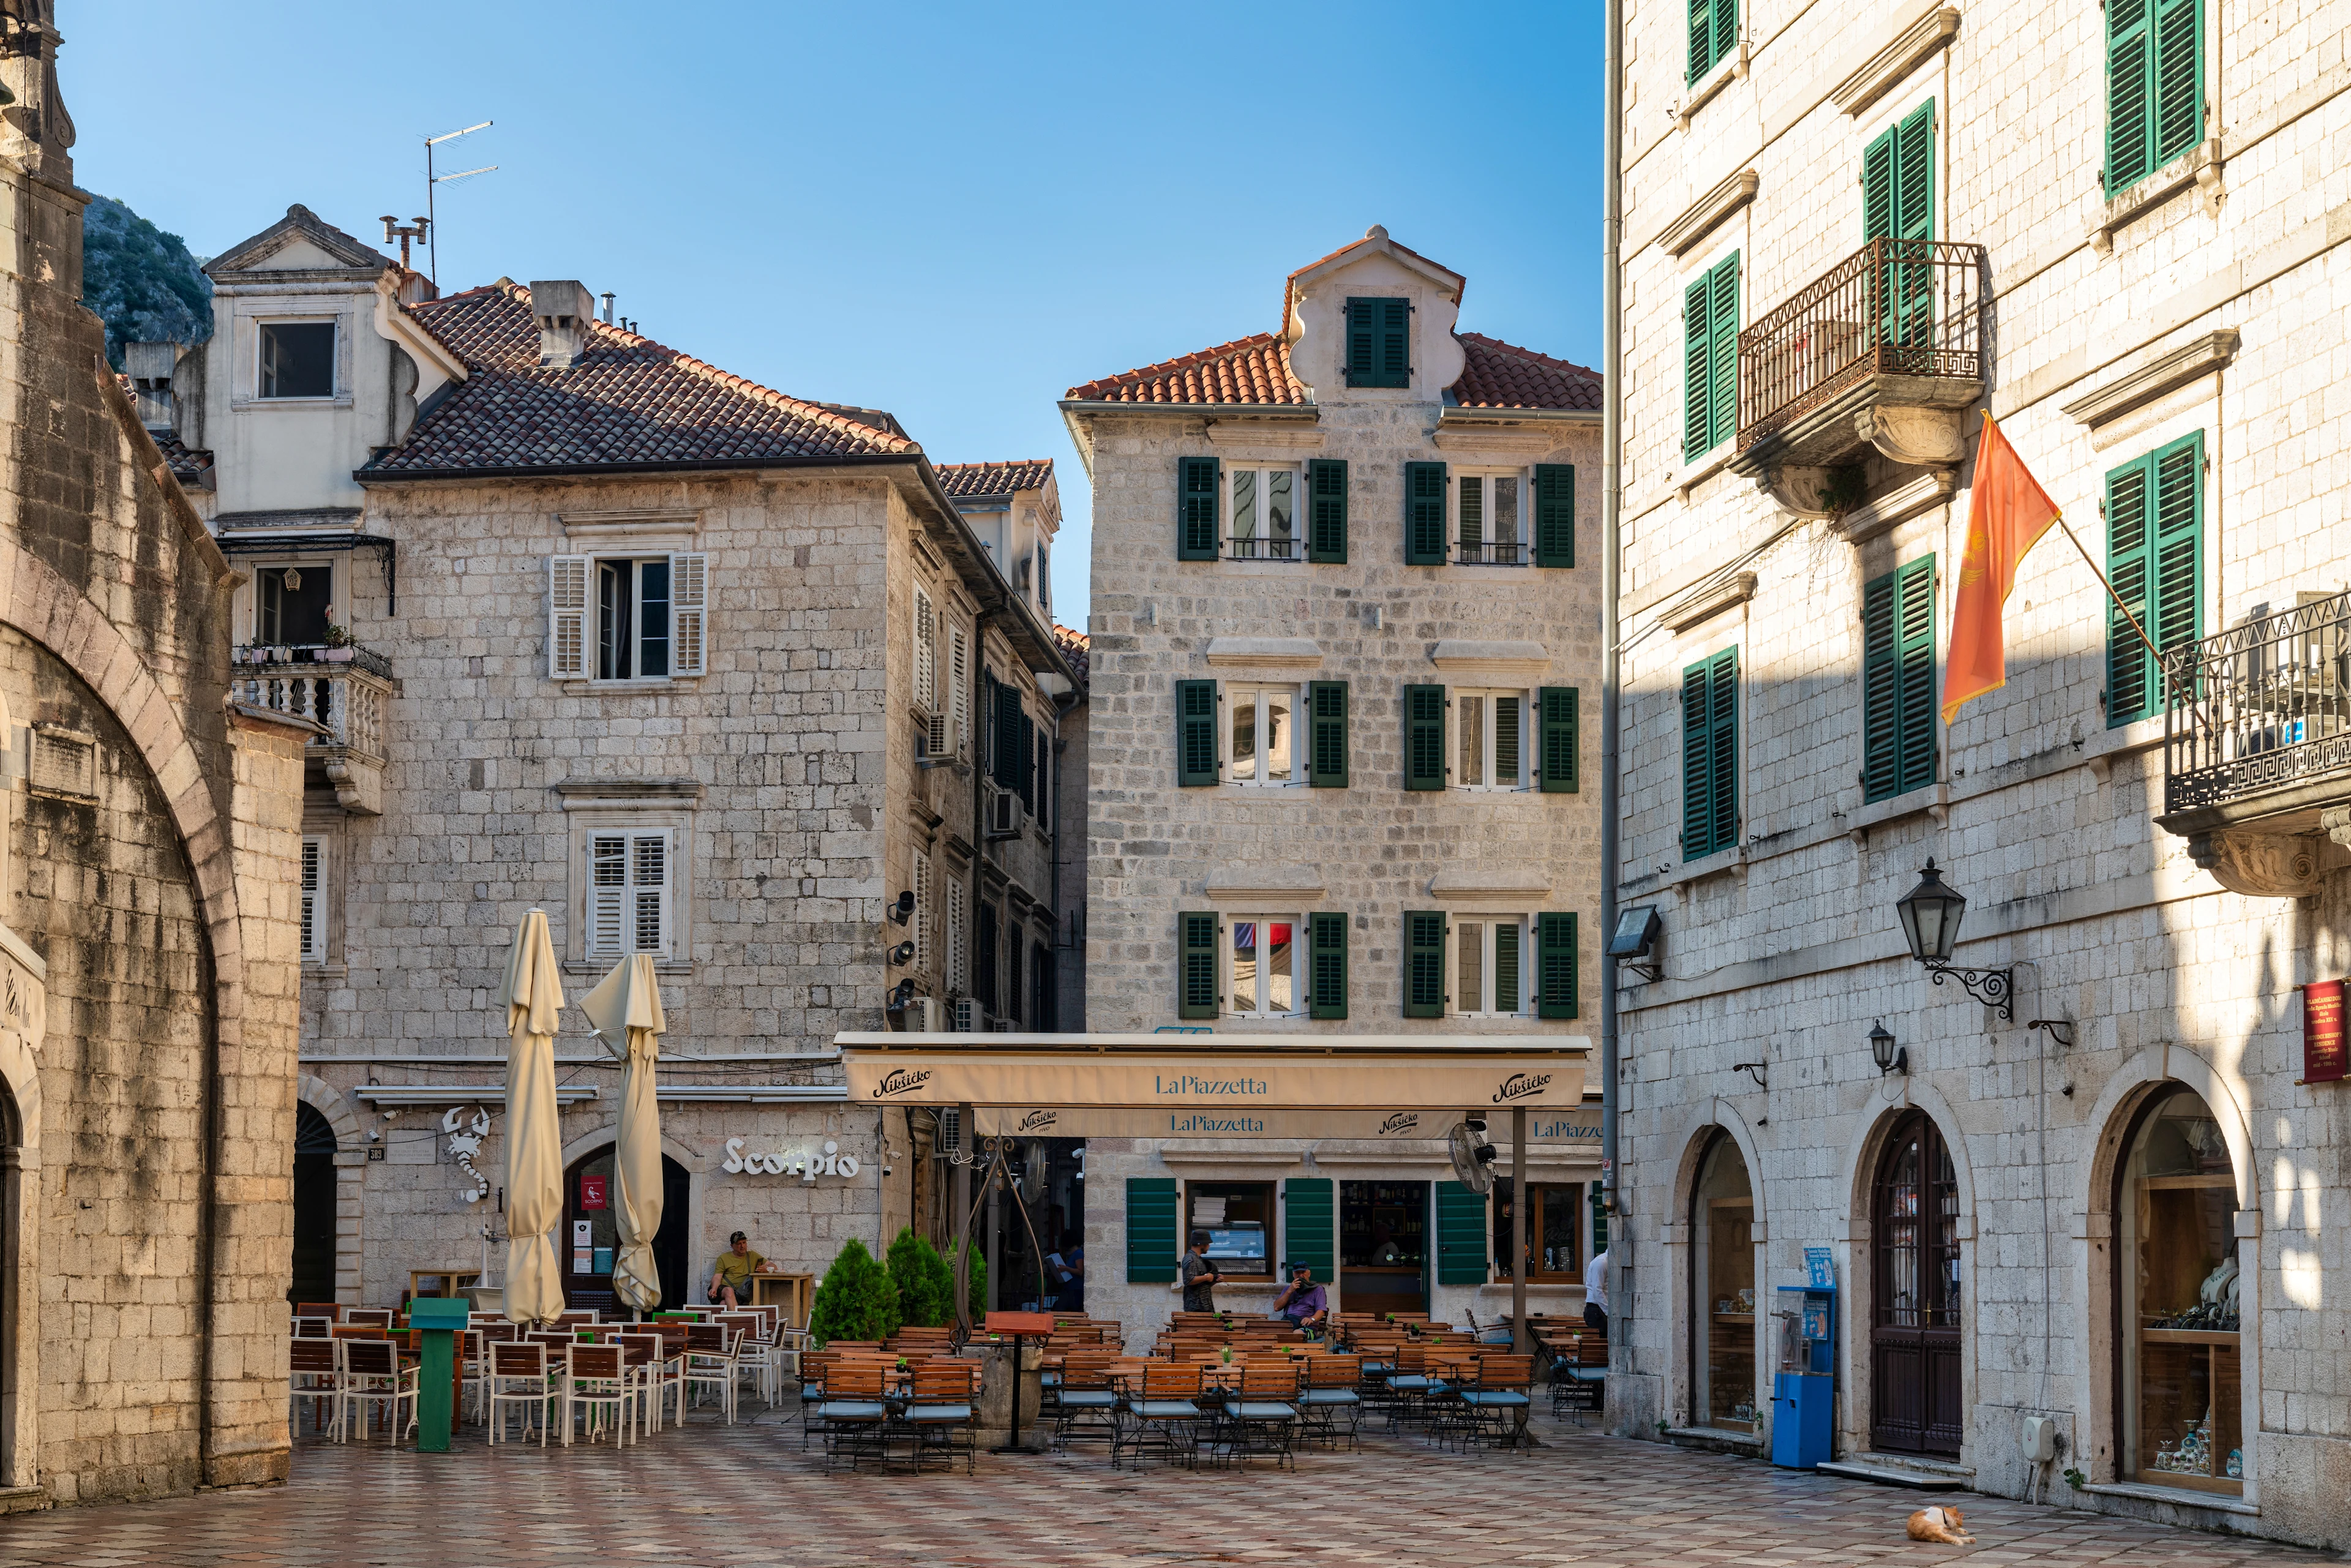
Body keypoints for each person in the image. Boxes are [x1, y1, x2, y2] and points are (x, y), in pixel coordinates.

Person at [708, 1231, 778, 1308]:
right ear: (732, 1246)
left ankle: (732, 1319)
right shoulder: (723, 1258)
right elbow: (717, 1277)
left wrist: (766, 1269)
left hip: (741, 1294)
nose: (742, 1246)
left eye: (744, 1243)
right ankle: (738, 1320)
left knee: (724, 1304)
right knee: (729, 1291)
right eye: (739, 1244)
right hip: (723, 1290)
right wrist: (714, 1288)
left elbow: (774, 1267)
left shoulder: (753, 1256)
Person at [1272, 1261, 1329, 1335]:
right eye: (1298, 1273)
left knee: (1297, 1334)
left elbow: (1321, 1311)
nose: (1301, 1276)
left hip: (1307, 1328)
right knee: (1272, 1334)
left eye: (1303, 1272)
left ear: (1309, 1273)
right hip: (1289, 1325)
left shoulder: (1318, 1289)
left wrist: (1312, 1319)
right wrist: (1289, 1291)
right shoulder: (1288, 1289)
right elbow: (1276, 1308)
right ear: (1293, 1274)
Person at [1180, 1229, 1221, 1312]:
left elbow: (1199, 1285)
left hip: (1204, 1306)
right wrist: (1207, 1277)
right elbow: (1188, 1280)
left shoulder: (1199, 1259)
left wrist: (1214, 1280)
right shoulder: (1190, 1258)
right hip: (1195, 1307)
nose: (1209, 1246)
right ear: (1202, 1244)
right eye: (1208, 1244)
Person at [1583, 1244, 1610, 1334]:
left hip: (1601, 1308)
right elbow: (1597, 1290)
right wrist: (1608, 1311)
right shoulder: (1602, 1263)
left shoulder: (1608, 1262)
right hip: (1597, 1310)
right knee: (1601, 1343)